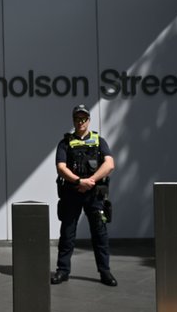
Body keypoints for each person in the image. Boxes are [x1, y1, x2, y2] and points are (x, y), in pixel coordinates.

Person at [51, 104, 117, 287]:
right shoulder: (65, 143)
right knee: (67, 234)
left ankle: (105, 272)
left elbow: (110, 164)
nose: (80, 121)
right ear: (73, 120)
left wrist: (91, 181)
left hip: (94, 195)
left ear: (88, 120)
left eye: (84, 118)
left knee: (100, 234)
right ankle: (62, 271)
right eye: (77, 118)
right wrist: (79, 182)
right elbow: (61, 167)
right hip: (72, 193)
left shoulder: (99, 141)